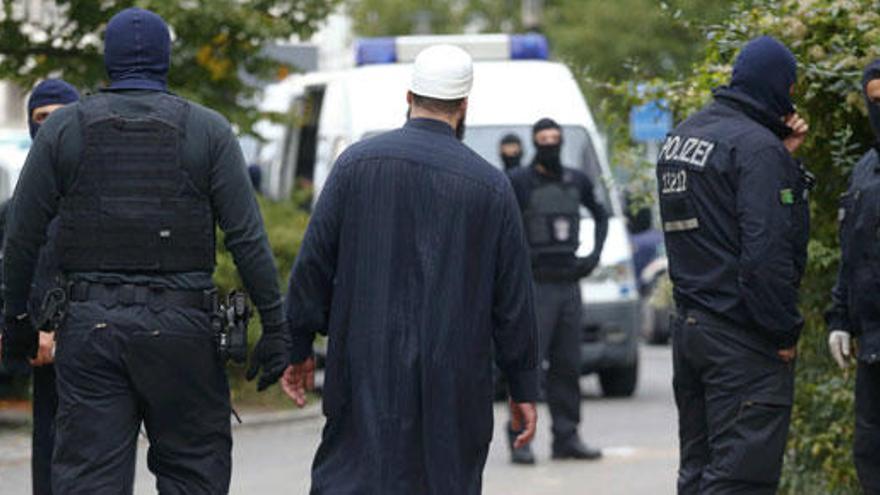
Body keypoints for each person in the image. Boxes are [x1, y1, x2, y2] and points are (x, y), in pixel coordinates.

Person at [0, 8, 290, 494]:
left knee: (90, 481)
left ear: (107, 61)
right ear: (166, 59)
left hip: (92, 330)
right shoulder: (209, 131)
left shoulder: (62, 131)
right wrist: (277, 327)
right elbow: (247, 238)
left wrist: (15, 323)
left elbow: (21, 239)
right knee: (193, 474)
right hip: (184, 334)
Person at [281, 44, 539, 494]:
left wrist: (298, 345)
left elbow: (313, 266)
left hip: (364, 371)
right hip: (454, 381)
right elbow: (513, 302)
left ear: (408, 96)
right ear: (463, 105)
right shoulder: (491, 187)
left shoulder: (355, 166)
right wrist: (523, 387)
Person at [658, 36, 810, 494]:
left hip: (692, 331)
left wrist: (783, 160)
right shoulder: (756, 149)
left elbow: (714, 222)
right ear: (775, 85)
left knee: (699, 472)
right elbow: (764, 255)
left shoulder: (683, 136)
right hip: (742, 341)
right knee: (740, 481)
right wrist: (783, 331)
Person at [506, 117, 609, 464]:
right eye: (544, 139)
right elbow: (502, 224)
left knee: (568, 364)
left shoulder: (575, 180)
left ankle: (566, 437)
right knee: (529, 364)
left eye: (555, 138)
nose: (550, 144)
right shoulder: (519, 181)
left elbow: (601, 215)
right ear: (535, 142)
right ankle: (520, 438)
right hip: (535, 284)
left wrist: (593, 256)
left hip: (568, 284)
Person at [825, 59, 880, 495]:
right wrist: (840, 317)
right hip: (873, 347)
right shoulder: (865, 170)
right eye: (875, 99)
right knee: (870, 453)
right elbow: (852, 253)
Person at [27, 79, 79, 495]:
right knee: (47, 441)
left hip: (88, 332)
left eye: (59, 117)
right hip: (40, 342)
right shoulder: (23, 197)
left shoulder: (88, 185)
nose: (49, 127)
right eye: (41, 118)